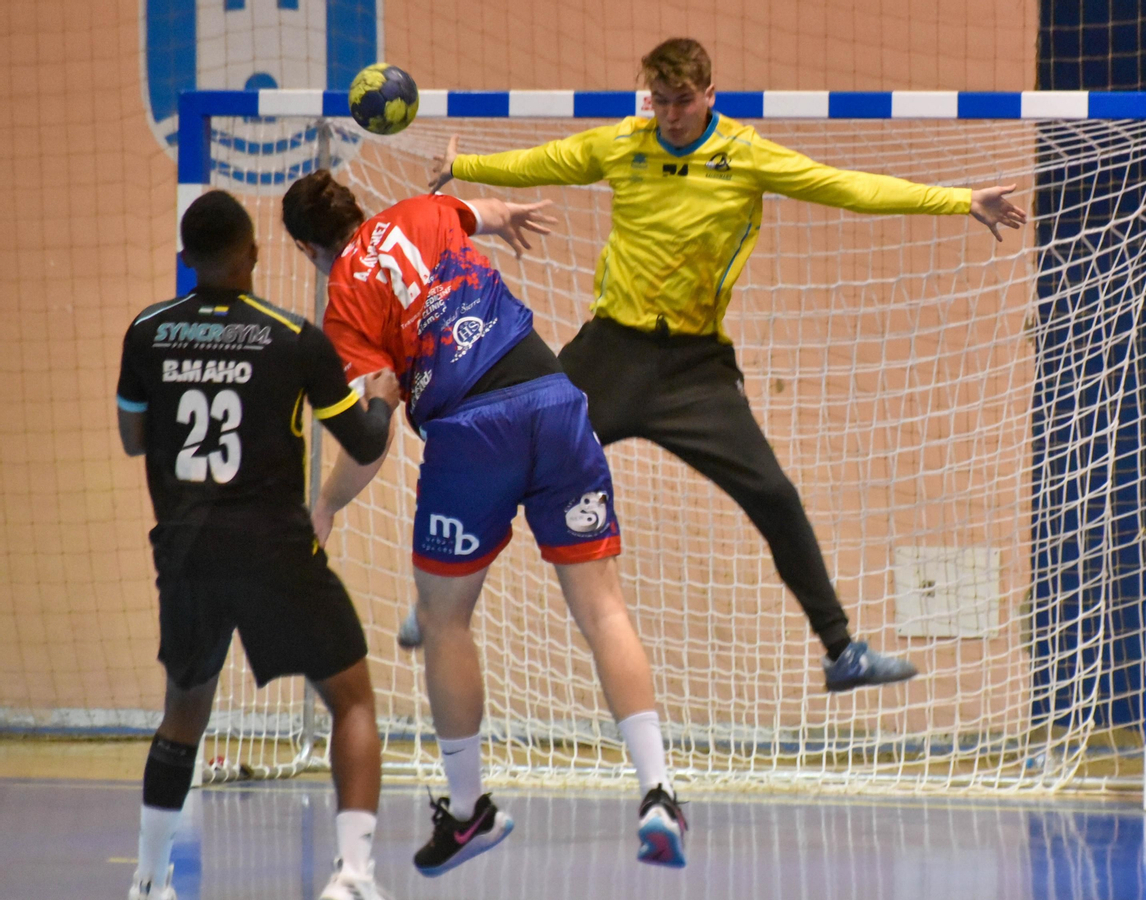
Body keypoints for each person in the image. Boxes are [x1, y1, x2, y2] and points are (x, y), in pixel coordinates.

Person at [426, 36, 1028, 691]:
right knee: (511, 460)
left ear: (710, 95)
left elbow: (848, 189)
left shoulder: (744, 156)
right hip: (611, 353)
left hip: (695, 371)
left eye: (683, 101)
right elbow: (550, 159)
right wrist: (466, 164)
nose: (671, 115)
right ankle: (437, 602)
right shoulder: (623, 144)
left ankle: (841, 652)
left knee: (773, 494)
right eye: (660, 101)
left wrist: (960, 199)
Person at [280, 170, 688, 872]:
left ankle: (470, 812)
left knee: (444, 620)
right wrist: (503, 216)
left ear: (304, 247)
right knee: (603, 608)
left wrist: (323, 505)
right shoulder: (422, 209)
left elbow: (370, 442)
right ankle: (659, 793)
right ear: (360, 206)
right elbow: (488, 212)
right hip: (555, 399)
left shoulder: (345, 297)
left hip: (472, 433)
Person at [116, 190, 402, 900]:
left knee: (183, 714)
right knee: (353, 701)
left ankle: (149, 882)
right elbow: (363, 441)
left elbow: (133, 438)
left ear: (186, 262)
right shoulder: (294, 336)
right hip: (276, 550)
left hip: (186, 552)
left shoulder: (145, 331)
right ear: (253, 254)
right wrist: (386, 396)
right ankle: (355, 877)